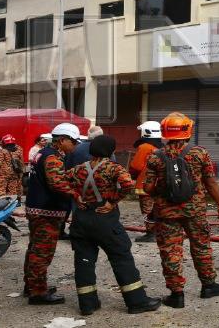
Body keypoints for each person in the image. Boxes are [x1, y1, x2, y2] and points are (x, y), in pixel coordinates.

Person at [65, 134, 161, 315]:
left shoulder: (78, 169)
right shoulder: (113, 168)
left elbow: (60, 181)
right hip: (104, 219)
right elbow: (127, 184)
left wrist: (75, 196)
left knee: (84, 260)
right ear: (111, 150)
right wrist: (113, 202)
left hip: (81, 219)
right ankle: (137, 301)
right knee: (121, 257)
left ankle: (87, 304)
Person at [143, 112, 219, 309]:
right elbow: (211, 182)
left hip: (166, 213)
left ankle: (176, 294)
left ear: (165, 133)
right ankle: (209, 286)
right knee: (201, 246)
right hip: (195, 211)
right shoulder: (199, 153)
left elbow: (147, 188)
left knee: (171, 250)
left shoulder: (155, 156)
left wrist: (162, 191)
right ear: (187, 131)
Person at [23, 123, 80, 305]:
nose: (75, 146)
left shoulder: (43, 153)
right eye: (73, 142)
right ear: (62, 140)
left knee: (34, 248)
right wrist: (77, 195)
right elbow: (57, 184)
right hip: (46, 211)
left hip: (37, 207)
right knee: (42, 252)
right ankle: (38, 292)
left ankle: (31, 285)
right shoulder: (53, 157)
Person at [129, 121, 162, 243]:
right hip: (158, 185)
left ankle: (151, 233)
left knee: (147, 209)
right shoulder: (160, 147)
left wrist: (131, 176)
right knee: (157, 209)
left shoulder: (144, 147)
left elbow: (136, 166)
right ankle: (159, 232)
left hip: (145, 185)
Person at [0, 134, 23, 199]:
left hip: (3, 174)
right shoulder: (19, 150)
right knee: (12, 190)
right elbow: (21, 162)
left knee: (1, 190)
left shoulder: (2, 151)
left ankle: (2, 204)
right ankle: (12, 204)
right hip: (14, 173)